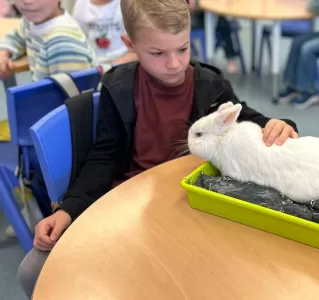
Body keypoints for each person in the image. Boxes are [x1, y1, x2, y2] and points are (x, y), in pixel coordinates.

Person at [16, 0, 298, 297]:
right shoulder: (119, 86)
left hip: (193, 210)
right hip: (129, 208)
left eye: (183, 48)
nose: (174, 63)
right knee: (33, 271)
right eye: (158, 53)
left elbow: (249, 118)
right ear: (130, 44)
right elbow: (105, 156)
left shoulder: (209, 86)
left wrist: (281, 123)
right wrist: (70, 208)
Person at [0, 0, 95, 81]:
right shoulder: (31, 21)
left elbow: (72, 97)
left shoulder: (63, 45)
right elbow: (17, 37)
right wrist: (3, 53)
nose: (27, 1)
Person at [73, 0, 138, 65]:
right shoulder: (81, 5)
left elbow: (137, 49)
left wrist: (113, 66)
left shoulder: (129, 4)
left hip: (124, 61)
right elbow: (80, 42)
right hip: (93, 62)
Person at [188, 0, 240, 73]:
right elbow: (190, 7)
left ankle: (230, 58)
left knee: (224, 24)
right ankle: (207, 57)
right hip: (197, 16)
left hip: (215, 16)